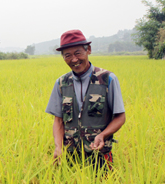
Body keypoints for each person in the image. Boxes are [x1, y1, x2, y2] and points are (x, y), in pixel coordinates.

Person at [46, 29, 125, 170]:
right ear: (63, 57)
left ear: (88, 50)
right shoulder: (61, 83)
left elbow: (120, 117)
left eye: (78, 53)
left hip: (100, 154)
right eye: (67, 55)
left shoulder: (108, 79)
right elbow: (58, 120)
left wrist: (103, 135)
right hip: (71, 156)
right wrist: (58, 147)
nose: (74, 59)